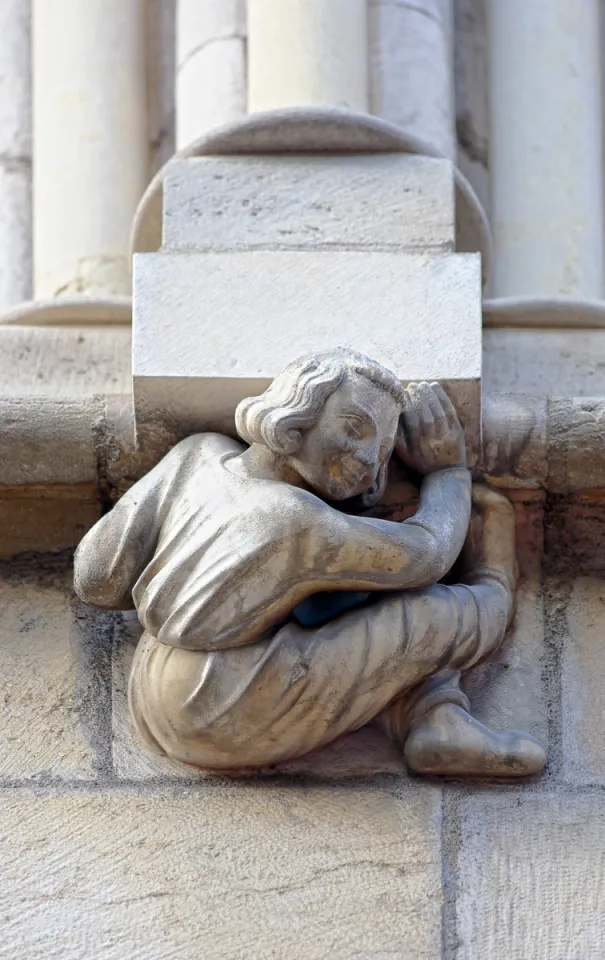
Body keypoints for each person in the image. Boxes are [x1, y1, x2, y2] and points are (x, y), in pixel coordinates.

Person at [74, 349, 546, 777]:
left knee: (355, 602)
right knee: (431, 613)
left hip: (153, 677)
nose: (365, 457)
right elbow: (428, 554)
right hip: (222, 702)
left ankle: (434, 715)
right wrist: (449, 472)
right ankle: (494, 590)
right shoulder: (298, 520)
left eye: (381, 453)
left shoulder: (198, 453)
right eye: (355, 427)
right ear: (298, 409)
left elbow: (96, 578)